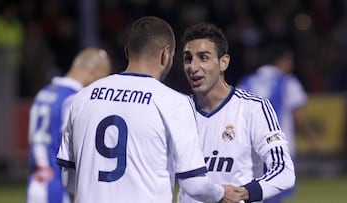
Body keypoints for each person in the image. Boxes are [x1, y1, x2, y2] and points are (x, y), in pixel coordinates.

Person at [56, 16, 243, 203]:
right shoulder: (174, 102)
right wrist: (221, 193)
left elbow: (68, 179)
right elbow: (194, 184)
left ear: (128, 51)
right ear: (166, 54)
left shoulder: (82, 97)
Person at [177, 22, 295, 203]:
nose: (193, 66)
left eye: (203, 57)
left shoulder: (254, 108)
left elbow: (284, 171)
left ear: (223, 62)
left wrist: (242, 194)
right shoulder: (177, 111)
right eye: (188, 58)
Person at [26, 47, 112, 203]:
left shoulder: (45, 92)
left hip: (36, 182)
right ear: (93, 70)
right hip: (57, 186)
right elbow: (76, 150)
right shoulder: (74, 99)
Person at [238, 44, 318, 203]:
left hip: (250, 150)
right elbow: (298, 117)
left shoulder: (246, 81)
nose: (291, 64)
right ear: (280, 61)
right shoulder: (287, 82)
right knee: (274, 196)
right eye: (289, 60)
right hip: (277, 148)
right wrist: (311, 138)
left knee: (253, 195)